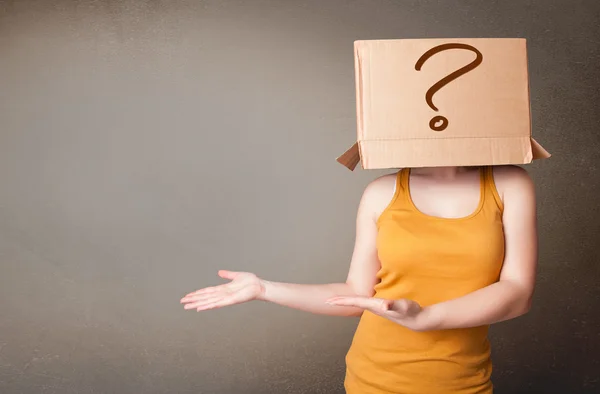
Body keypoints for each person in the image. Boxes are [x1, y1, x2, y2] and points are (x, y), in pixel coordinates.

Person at [180, 164, 538, 394]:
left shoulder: (509, 183)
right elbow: (355, 294)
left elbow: (517, 292)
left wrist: (426, 317)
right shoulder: (382, 191)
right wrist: (264, 289)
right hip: (374, 378)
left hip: (462, 380)